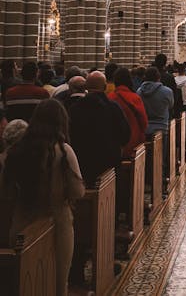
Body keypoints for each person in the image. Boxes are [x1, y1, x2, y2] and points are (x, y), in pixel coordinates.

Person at [1, 100, 85, 296]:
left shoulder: (16, 151)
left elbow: (5, 193)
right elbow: (77, 192)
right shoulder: (63, 151)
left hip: (23, 224)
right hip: (57, 224)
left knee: (25, 284)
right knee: (57, 284)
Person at [69, 71, 130, 186]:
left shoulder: (75, 108)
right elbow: (125, 134)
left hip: (83, 163)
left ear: (86, 87)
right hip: (109, 163)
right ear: (105, 87)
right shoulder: (113, 107)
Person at [138, 66, 174, 183]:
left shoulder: (139, 91)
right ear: (158, 77)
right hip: (161, 128)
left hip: (145, 128)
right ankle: (160, 178)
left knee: (146, 156)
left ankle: (146, 178)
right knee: (160, 156)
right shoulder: (166, 91)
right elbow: (171, 105)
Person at [109, 68, 148, 158]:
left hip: (116, 144)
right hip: (134, 142)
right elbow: (144, 122)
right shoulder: (134, 98)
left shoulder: (109, 97)